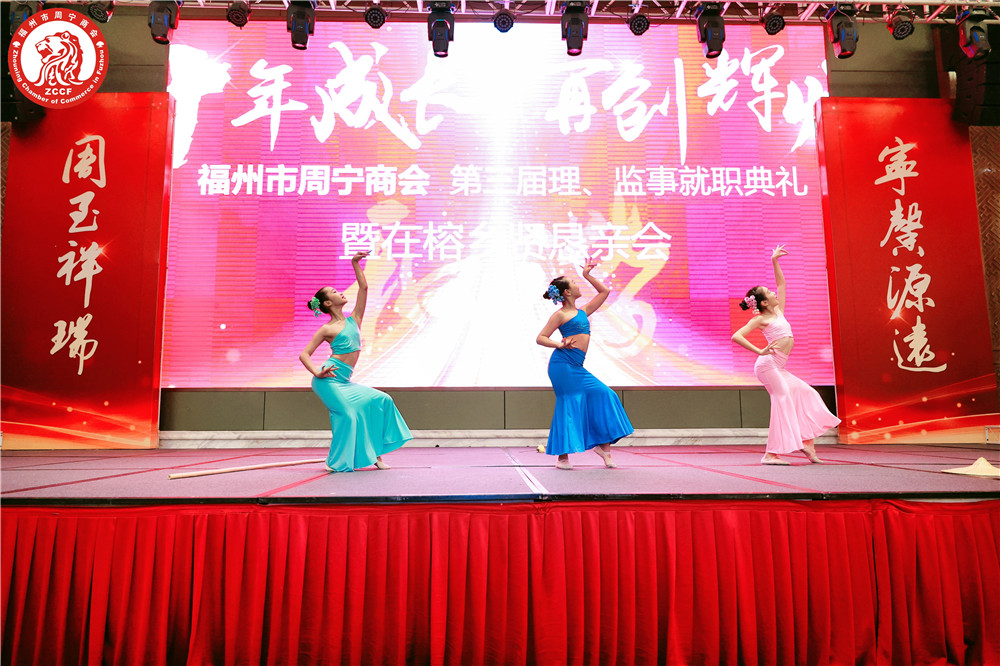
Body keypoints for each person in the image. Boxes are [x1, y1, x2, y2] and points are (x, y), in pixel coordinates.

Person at [299, 251, 412, 472]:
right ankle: (336, 462)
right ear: (328, 303)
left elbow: (364, 288)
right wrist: (317, 372)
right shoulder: (327, 329)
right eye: (334, 292)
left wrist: (355, 263)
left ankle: (375, 455)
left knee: (382, 399)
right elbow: (304, 354)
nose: (340, 292)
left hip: (344, 382)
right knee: (349, 416)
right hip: (327, 381)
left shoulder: (355, 319)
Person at [731, 245, 840, 465]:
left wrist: (774, 261)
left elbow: (782, 284)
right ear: (764, 303)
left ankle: (806, 442)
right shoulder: (760, 319)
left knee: (806, 392)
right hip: (767, 365)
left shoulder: (778, 311)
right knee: (783, 400)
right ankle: (771, 454)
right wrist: (759, 350)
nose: (774, 293)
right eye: (769, 293)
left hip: (778, 367)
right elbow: (737, 336)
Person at [536, 261, 634, 470]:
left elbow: (604, 291)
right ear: (567, 292)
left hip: (577, 366)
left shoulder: (583, 311)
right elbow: (541, 337)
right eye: (574, 282)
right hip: (562, 365)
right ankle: (562, 458)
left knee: (605, 394)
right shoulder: (560, 315)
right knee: (569, 404)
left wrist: (587, 275)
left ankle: (604, 448)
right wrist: (559, 344)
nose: (577, 284)